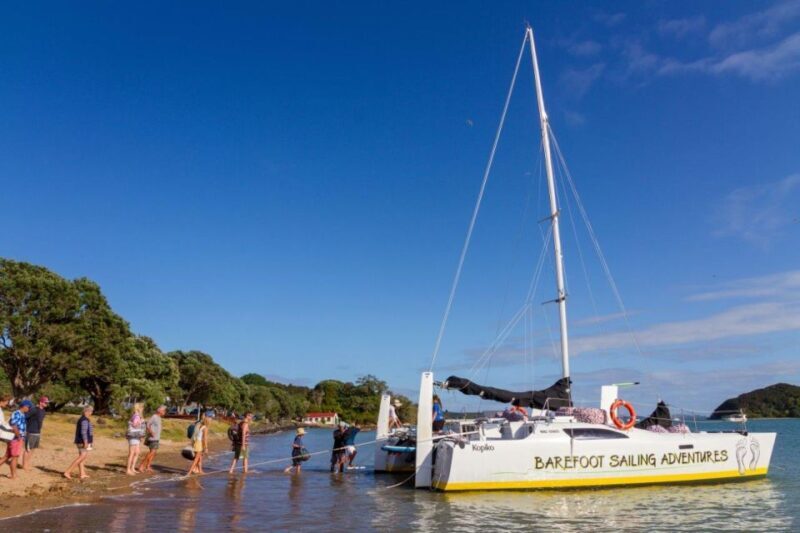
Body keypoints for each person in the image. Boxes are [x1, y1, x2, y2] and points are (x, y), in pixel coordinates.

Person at [2, 399, 31, 479]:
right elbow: (14, 425)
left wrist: (22, 437)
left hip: (18, 438)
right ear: (24, 406)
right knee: (15, 457)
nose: (29, 409)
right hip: (15, 438)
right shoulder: (16, 413)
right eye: (28, 407)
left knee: (8, 456)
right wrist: (18, 436)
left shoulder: (22, 414)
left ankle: (13, 474)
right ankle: (13, 475)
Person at [64, 405, 94, 480]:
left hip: (83, 441)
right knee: (82, 456)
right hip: (82, 441)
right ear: (86, 411)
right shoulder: (84, 420)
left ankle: (82, 473)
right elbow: (83, 432)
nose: (91, 413)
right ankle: (68, 471)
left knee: (83, 457)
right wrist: (86, 441)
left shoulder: (85, 419)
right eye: (90, 411)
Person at [23, 396, 49, 471]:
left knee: (33, 449)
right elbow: (25, 417)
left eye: (47, 402)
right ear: (41, 402)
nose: (46, 404)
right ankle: (24, 465)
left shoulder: (43, 411)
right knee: (28, 449)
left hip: (37, 432)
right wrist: (26, 428)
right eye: (45, 402)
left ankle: (27, 463)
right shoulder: (34, 409)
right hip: (30, 431)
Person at [138, 405, 166, 473]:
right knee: (152, 452)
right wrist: (151, 432)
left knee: (154, 453)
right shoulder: (154, 416)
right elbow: (147, 425)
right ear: (160, 411)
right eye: (164, 411)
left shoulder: (159, 417)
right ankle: (141, 466)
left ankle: (148, 466)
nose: (165, 412)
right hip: (153, 438)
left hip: (156, 438)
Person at [126, 403, 145, 475]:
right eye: (142, 408)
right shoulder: (136, 416)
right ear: (139, 408)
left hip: (136, 436)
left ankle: (132, 468)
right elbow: (134, 425)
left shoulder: (137, 416)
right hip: (133, 436)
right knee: (132, 453)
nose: (143, 409)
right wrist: (141, 422)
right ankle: (128, 470)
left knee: (137, 452)